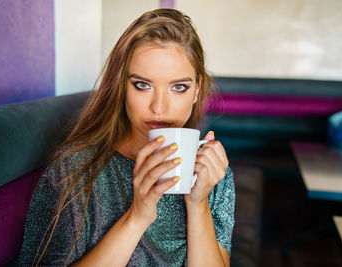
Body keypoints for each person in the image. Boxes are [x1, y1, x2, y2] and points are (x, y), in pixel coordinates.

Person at [19, 8, 235, 267]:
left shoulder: (212, 173)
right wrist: (137, 216)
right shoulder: (75, 169)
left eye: (178, 87)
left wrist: (198, 204)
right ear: (122, 86)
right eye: (142, 85)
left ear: (197, 89)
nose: (159, 107)